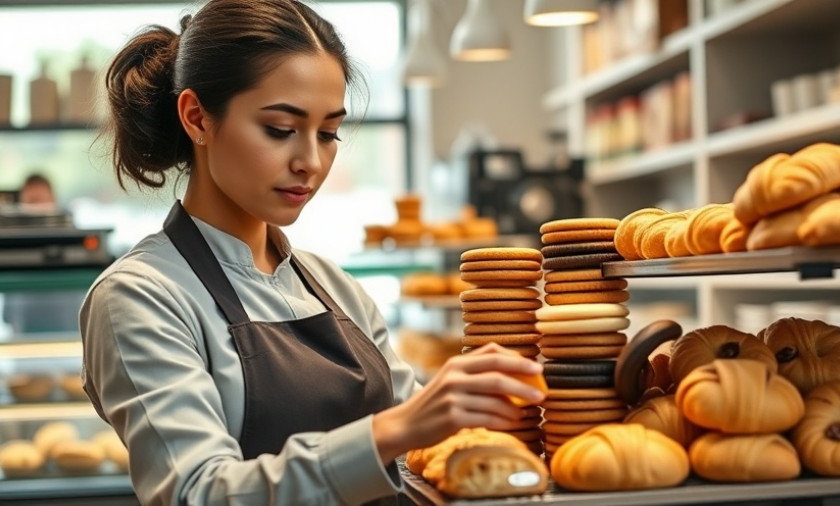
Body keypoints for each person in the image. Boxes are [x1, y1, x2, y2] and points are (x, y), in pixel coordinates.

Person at [78, 1, 545, 505]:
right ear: (197, 118)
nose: (311, 162)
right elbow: (199, 493)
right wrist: (392, 430)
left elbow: (421, 455)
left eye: (328, 134)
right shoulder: (140, 297)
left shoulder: (334, 287)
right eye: (280, 129)